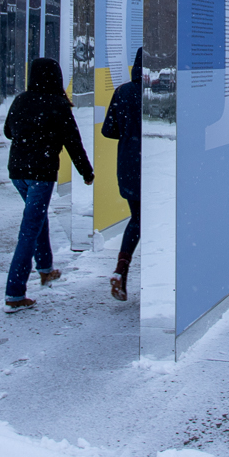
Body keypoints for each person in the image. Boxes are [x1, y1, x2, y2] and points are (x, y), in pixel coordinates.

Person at [2, 57, 94, 311]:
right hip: (41, 174)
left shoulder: (21, 100)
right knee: (30, 228)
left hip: (18, 173)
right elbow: (73, 143)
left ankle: (45, 269)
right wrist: (86, 172)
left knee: (37, 217)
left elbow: (8, 132)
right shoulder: (58, 104)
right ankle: (15, 293)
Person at [101, 49, 143, 303]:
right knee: (149, 220)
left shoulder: (123, 92)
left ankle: (122, 269)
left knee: (137, 218)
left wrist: (128, 133)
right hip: (155, 165)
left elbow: (108, 130)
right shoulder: (162, 91)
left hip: (129, 165)